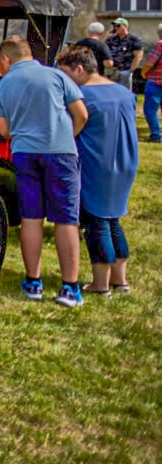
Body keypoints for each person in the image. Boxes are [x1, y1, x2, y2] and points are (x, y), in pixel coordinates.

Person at [0, 37, 88, 308]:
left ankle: (33, 282)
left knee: (31, 218)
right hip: (61, 152)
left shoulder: (4, 85)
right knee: (66, 219)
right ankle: (69, 288)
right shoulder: (56, 76)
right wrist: (66, 136)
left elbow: (4, 131)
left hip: (24, 152)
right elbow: (81, 114)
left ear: (6, 59)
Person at [57, 46, 136, 297]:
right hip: (125, 163)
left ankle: (100, 284)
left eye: (66, 74)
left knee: (95, 222)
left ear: (79, 69)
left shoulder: (82, 96)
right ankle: (120, 281)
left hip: (96, 164)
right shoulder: (123, 92)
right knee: (113, 220)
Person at [139, 22, 162, 143]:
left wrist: (143, 73)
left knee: (150, 109)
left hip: (157, 81)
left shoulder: (160, 44)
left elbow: (150, 62)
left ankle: (156, 135)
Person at [106, 18, 143, 91]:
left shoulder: (134, 39)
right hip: (112, 71)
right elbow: (101, 48)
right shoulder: (112, 39)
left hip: (125, 70)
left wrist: (131, 70)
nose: (116, 28)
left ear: (125, 26)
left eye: (118, 26)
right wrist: (106, 36)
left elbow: (138, 56)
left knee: (124, 91)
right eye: (114, 26)